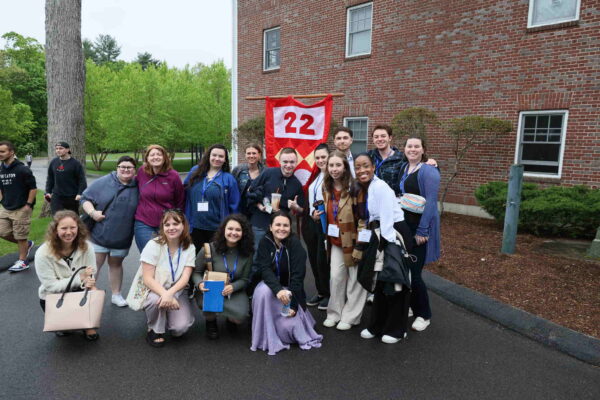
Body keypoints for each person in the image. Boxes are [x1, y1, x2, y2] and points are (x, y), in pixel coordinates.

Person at [353, 153, 413, 344]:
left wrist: (384, 246)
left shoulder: (380, 187)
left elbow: (387, 218)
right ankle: (377, 325)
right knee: (380, 283)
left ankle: (397, 329)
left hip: (393, 235)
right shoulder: (367, 187)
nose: (362, 170)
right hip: (379, 234)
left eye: (365, 166)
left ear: (373, 167)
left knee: (395, 282)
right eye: (358, 167)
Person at [250, 211, 323, 355]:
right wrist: (278, 290)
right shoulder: (265, 242)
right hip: (272, 289)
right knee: (263, 290)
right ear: (270, 227)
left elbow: (297, 278)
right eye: (277, 225)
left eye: (285, 225)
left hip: (290, 293)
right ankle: (263, 330)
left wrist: (294, 306)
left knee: (288, 330)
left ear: (290, 227)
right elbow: (264, 269)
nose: (281, 228)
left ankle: (289, 321)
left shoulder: (296, 246)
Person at [127, 209, 196, 347]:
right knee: (154, 300)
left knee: (179, 329)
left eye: (175, 224)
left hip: (177, 290)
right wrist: (165, 294)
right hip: (154, 289)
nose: (171, 228)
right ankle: (154, 329)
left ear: (183, 225)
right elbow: (147, 278)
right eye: (167, 224)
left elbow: (185, 278)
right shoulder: (153, 245)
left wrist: (170, 294)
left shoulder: (189, 247)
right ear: (162, 227)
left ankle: (166, 311)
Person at [80, 156, 139, 307]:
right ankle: (85, 293)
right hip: (100, 234)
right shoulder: (104, 181)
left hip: (122, 236)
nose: (125, 170)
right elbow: (85, 198)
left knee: (116, 264)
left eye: (129, 167)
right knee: (94, 265)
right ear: (117, 168)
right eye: (122, 167)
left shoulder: (138, 185)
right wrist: (93, 213)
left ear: (134, 170)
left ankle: (116, 294)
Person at [397, 136, 441, 332]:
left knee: (415, 274)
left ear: (423, 150)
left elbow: (431, 202)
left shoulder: (429, 171)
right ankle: (411, 306)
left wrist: (423, 230)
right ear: (404, 149)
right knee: (404, 270)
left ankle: (424, 314)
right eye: (409, 146)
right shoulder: (404, 168)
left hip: (419, 229)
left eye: (417, 146)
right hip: (404, 228)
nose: (412, 149)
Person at [34, 210, 99, 340]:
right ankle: (64, 324)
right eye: (63, 228)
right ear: (55, 230)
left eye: (72, 227)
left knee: (94, 291)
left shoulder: (87, 247)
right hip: (53, 296)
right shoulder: (42, 253)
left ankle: (88, 325)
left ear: (78, 228)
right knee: (66, 329)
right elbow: (51, 286)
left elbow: (92, 271)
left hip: (80, 290)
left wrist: (90, 281)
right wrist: (81, 278)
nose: (69, 232)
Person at [321, 151, 367, 331]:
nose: (334, 169)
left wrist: (361, 246)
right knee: (336, 278)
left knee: (355, 280)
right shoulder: (326, 187)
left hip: (354, 241)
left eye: (338, 165)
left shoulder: (356, 188)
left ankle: (351, 316)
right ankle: (334, 313)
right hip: (335, 242)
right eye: (331, 165)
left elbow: (364, 220)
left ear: (345, 167)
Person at [192, 214, 254, 339]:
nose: (233, 233)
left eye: (238, 230)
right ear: (223, 230)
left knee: (240, 316)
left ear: (243, 233)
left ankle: (230, 320)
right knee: (207, 301)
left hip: (232, 290)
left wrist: (233, 286)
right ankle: (211, 320)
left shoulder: (247, 253)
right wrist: (200, 284)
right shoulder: (209, 249)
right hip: (211, 289)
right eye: (230, 229)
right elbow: (196, 272)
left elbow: (245, 279)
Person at [184, 144, 240, 252]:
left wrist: (232, 226)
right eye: (214, 155)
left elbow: (235, 206)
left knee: (214, 261)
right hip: (194, 227)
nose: (217, 159)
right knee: (195, 261)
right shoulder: (195, 172)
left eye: (221, 156)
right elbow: (183, 192)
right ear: (208, 156)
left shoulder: (228, 179)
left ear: (225, 160)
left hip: (217, 228)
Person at [247, 147, 305, 248]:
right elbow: (250, 191)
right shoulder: (268, 173)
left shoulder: (297, 184)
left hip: (280, 229)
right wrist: (260, 205)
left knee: (277, 259)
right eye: (285, 161)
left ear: (296, 162)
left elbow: (303, 210)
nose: (288, 165)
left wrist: (296, 208)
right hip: (260, 223)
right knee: (257, 257)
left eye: (292, 162)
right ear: (280, 161)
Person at [134, 144, 185, 252]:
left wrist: (177, 221)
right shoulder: (142, 172)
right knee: (148, 255)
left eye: (159, 154)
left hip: (167, 223)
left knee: (166, 256)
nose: (155, 157)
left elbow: (180, 200)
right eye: (152, 155)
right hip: (144, 222)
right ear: (147, 158)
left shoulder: (173, 176)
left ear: (164, 157)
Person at [0, 141, 36, 272]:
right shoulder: (1, 168)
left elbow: (33, 188)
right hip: (6, 206)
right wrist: (2, 199)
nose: (0, 154)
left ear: (11, 152)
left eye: (3, 151)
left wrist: (28, 205)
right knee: (2, 231)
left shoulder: (22, 169)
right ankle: (28, 245)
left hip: (21, 207)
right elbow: (1, 186)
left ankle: (23, 261)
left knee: (20, 236)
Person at [302, 144, 330, 311]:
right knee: (313, 258)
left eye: (323, 157)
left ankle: (328, 293)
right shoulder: (317, 175)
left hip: (326, 224)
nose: (320, 160)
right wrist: (312, 211)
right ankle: (320, 291)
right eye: (317, 157)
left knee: (323, 260)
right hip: (312, 222)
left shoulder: (333, 176)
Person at [45, 142, 87, 215]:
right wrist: (48, 191)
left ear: (68, 150)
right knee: (57, 218)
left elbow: (82, 180)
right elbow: (50, 178)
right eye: (57, 149)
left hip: (71, 197)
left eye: (61, 148)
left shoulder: (75, 164)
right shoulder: (53, 162)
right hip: (57, 196)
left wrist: (80, 193)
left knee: (73, 218)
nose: (58, 150)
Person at [232, 144, 265, 218]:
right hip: (240, 211)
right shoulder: (238, 170)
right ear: (245, 155)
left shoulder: (265, 172)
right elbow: (232, 190)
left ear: (259, 155)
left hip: (259, 211)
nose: (251, 156)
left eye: (254, 153)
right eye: (248, 153)